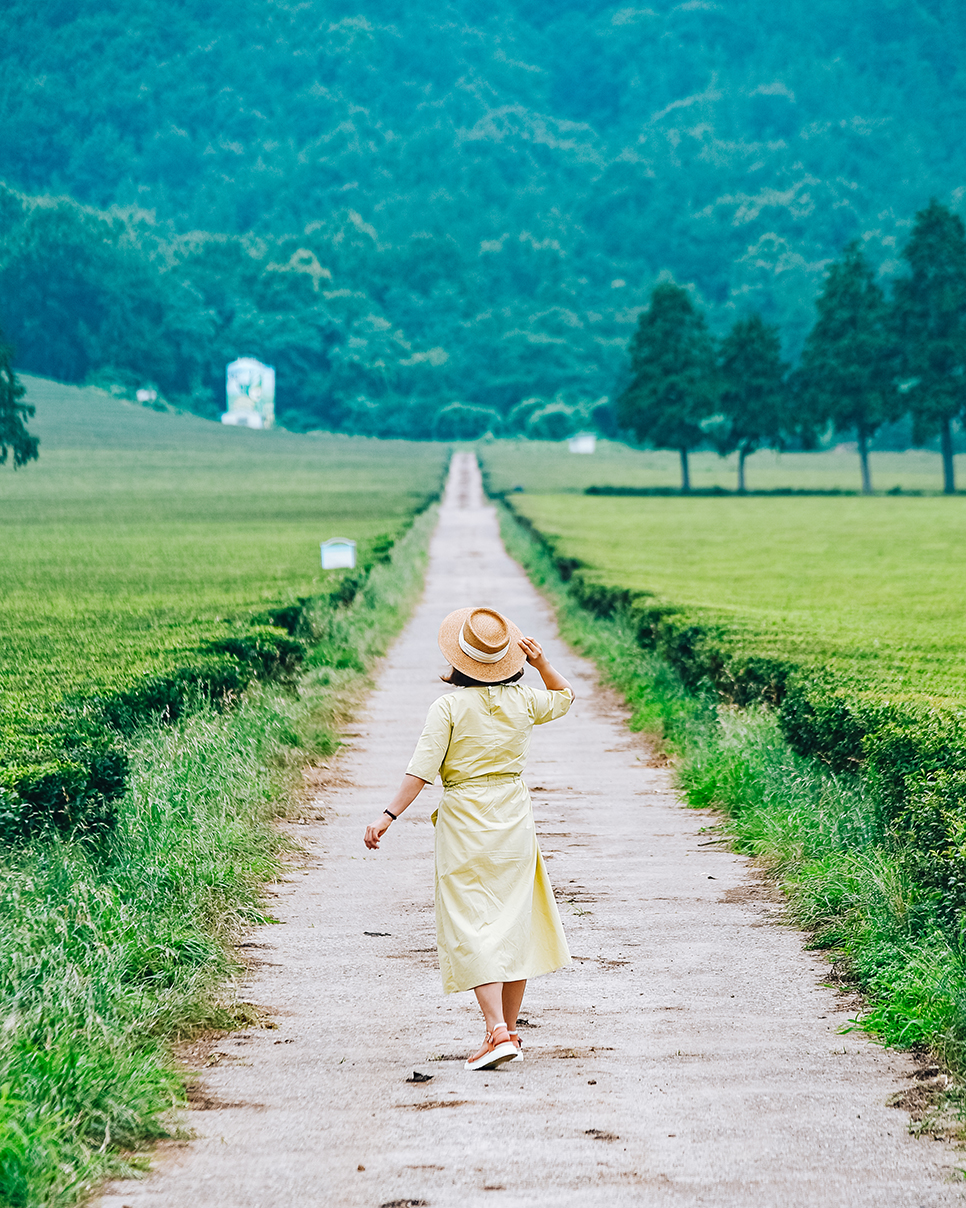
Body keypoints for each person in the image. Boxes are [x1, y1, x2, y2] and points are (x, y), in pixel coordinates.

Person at [364, 605, 575, 1071]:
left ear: (459, 661)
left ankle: (496, 1030)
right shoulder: (523, 701)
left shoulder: (448, 707)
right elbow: (564, 698)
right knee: (514, 922)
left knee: (470, 922)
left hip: (465, 820)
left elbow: (421, 771)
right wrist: (541, 664)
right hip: (514, 816)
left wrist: (387, 816)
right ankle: (507, 1033)